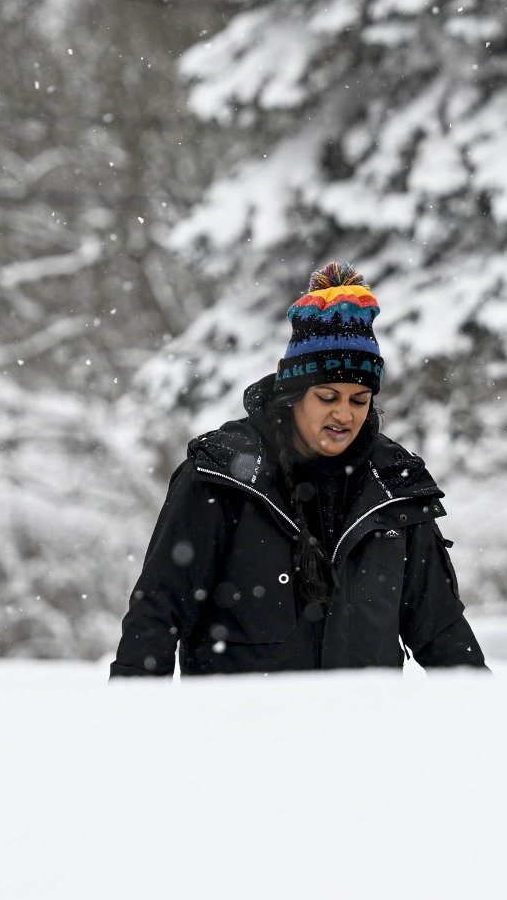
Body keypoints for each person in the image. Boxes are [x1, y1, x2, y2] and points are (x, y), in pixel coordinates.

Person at [110, 262, 487, 677]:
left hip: (366, 736)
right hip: (235, 735)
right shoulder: (223, 476)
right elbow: (157, 613)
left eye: (359, 400)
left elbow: (442, 631)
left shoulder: (395, 486)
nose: (344, 414)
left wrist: (483, 726)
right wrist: (134, 723)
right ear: (294, 394)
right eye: (328, 396)